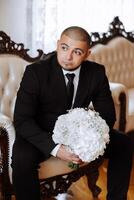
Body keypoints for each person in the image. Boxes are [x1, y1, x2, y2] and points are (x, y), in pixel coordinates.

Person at [12, 26, 133, 200]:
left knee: (123, 143)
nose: (68, 57)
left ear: (87, 54)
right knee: (21, 158)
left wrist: (88, 142)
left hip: (79, 133)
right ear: (58, 45)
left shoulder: (96, 73)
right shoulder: (36, 72)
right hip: (41, 132)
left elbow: (107, 115)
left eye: (77, 52)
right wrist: (56, 149)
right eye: (64, 48)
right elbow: (22, 120)